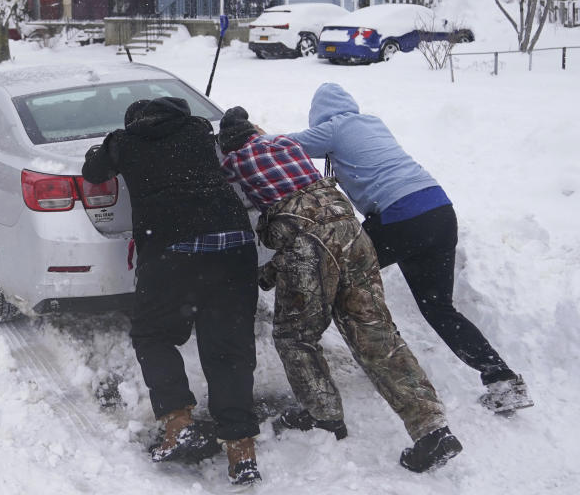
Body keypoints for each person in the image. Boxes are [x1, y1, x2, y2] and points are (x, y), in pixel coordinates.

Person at [218, 106, 462, 473]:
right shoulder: (286, 144)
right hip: (354, 237)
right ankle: (432, 429)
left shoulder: (235, 160)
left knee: (295, 335)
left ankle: (323, 415)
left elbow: (226, 186)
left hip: (308, 246)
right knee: (375, 332)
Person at [286, 83, 532, 415]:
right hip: (439, 211)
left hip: (400, 215)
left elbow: (287, 146)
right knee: (439, 307)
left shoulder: (335, 128)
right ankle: (501, 378)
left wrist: (249, 135)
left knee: (339, 273)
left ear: (320, 116)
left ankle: (385, 360)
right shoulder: (372, 122)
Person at [82, 97, 262, 487]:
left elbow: (93, 172)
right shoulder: (198, 130)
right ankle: (240, 449)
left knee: (153, 335)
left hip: (173, 249)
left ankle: (179, 422)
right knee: (229, 348)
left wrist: (102, 149)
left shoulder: (124, 142)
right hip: (233, 245)